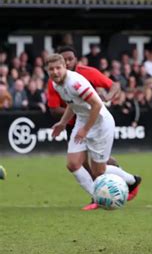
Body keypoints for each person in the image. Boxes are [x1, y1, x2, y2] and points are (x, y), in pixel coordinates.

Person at [46, 53, 141, 210]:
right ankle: (97, 197)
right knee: (73, 164)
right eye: (51, 69)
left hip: (100, 123)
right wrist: (63, 123)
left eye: (58, 68)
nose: (55, 72)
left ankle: (132, 181)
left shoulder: (75, 82)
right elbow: (72, 103)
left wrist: (85, 129)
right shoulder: (56, 84)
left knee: (99, 171)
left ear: (65, 67)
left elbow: (97, 105)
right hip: (83, 120)